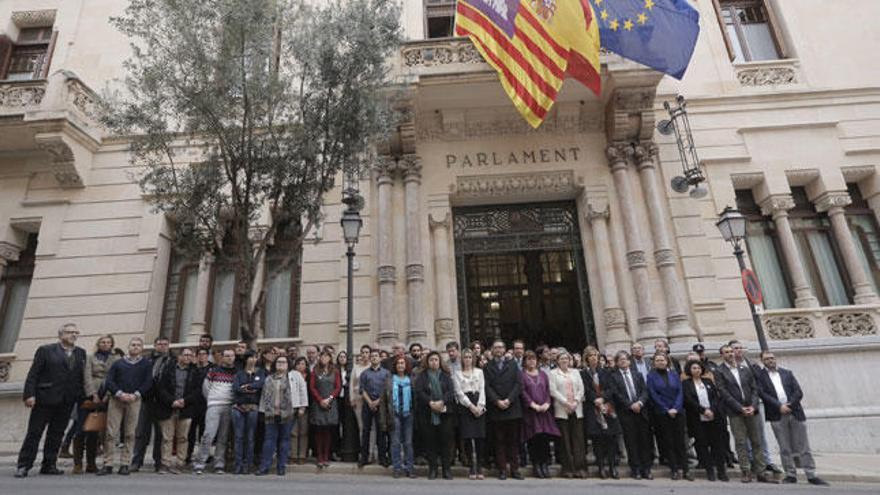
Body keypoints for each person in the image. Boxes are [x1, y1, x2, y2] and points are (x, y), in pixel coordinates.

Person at [15, 323, 86, 478]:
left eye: (76, 332)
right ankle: (24, 465)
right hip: (44, 399)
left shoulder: (81, 353)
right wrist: (29, 395)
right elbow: (33, 374)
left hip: (66, 400)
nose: (74, 335)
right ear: (61, 335)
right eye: (70, 332)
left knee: (57, 434)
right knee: (34, 433)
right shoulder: (46, 350)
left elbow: (80, 377)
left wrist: (79, 395)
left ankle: (49, 464)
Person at [756, 351, 828, 486]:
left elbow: (798, 391)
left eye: (772, 358)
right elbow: (763, 394)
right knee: (784, 447)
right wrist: (779, 406)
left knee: (804, 446)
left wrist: (790, 404)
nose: (770, 360)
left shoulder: (787, 373)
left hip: (794, 412)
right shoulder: (760, 377)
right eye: (767, 359)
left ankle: (811, 474)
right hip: (777, 414)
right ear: (762, 361)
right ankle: (790, 474)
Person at [715, 345, 776, 484]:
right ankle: (746, 470)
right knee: (741, 441)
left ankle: (761, 471)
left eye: (731, 352)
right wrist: (739, 407)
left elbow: (754, 389)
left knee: (757, 441)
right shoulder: (719, 371)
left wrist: (753, 406)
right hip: (735, 411)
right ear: (722, 355)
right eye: (727, 352)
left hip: (751, 410)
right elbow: (723, 392)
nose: (730, 354)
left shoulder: (745, 369)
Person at [99, 337, 152, 476]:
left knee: (130, 434)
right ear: (128, 347)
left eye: (138, 345)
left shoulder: (146, 364)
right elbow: (109, 381)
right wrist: (119, 393)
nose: (135, 347)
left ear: (141, 349)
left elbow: (148, 382)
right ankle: (108, 463)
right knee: (111, 433)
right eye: (133, 345)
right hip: (116, 400)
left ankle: (125, 464)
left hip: (134, 400)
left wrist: (136, 394)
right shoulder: (118, 363)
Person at [70, 334, 119, 474]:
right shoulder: (90, 357)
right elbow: (86, 376)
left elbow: (116, 377)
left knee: (94, 430)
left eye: (108, 342)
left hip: (107, 396)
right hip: (88, 396)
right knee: (81, 429)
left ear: (112, 344)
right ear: (98, 344)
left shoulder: (116, 359)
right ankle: (77, 463)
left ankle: (91, 463)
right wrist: (93, 394)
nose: (105, 344)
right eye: (102, 342)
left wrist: (107, 395)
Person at [256, 355, 307, 476]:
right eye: (278, 362)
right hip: (271, 413)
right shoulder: (269, 378)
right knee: (269, 440)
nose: (281, 364)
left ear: (288, 364)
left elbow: (302, 390)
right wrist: (262, 410)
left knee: (284, 440)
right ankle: (264, 467)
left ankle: (281, 466)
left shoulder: (295, 376)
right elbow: (264, 395)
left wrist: (302, 407)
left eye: (283, 362)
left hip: (288, 412)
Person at [606, 351, 653, 480]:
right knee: (631, 442)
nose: (623, 361)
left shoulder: (637, 374)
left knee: (644, 441)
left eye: (625, 359)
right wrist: (630, 405)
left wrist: (640, 402)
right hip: (626, 413)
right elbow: (616, 394)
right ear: (617, 362)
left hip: (641, 411)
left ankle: (646, 469)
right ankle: (636, 469)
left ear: (629, 361)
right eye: (620, 359)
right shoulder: (614, 377)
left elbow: (645, 391)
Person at [155, 348, 201, 474]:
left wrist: (184, 401)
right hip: (168, 407)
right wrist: (172, 401)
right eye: (185, 354)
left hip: (186, 408)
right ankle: (165, 463)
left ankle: (180, 463)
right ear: (179, 356)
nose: (188, 357)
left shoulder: (195, 371)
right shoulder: (168, 369)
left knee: (183, 437)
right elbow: (161, 388)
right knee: (167, 437)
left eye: (190, 355)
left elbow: (197, 391)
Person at [646, 353, 691, 481]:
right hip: (662, 413)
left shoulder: (674, 374)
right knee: (669, 442)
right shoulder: (651, 376)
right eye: (658, 360)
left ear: (667, 361)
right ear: (654, 363)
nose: (660, 362)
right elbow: (653, 394)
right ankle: (674, 469)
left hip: (678, 412)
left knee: (681, 442)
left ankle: (685, 469)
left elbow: (680, 392)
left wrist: (676, 408)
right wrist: (666, 409)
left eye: (662, 360)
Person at [484, 339, 524, 480]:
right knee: (499, 441)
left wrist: (508, 400)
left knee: (513, 441)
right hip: (496, 409)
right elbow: (487, 387)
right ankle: (502, 470)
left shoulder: (513, 364)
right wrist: (497, 401)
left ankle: (515, 469)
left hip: (512, 408)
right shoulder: (487, 366)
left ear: (505, 349)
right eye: (496, 348)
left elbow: (518, 384)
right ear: (492, 350)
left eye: (501, 347)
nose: (499, 350)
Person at [131, 336, 172, 473]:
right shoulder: (146, 360)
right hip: (146, 399)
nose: (162, 346)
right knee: (141, 432)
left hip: (163, 401)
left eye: (165, 344)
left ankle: (158, 462)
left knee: (160, 434)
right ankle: (136, 461)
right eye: (159, 344)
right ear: (155, 345)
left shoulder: (172, 360)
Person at [193, 349, 237, 475]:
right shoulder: (213, 371)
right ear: (222, 357)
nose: (229, 358)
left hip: (229, 406)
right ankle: (200, 462)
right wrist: (212, 400)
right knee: (208, 435)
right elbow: (206, 388)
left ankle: (219, 463)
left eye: (231, 356)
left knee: (223, 437)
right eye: (226, 355)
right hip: (214, 405)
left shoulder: (237, 372)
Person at [682, 359, 728, 481]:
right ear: (689, 370)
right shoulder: (686, 384)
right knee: (702, 445)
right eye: (693, 368)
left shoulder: (708, 381)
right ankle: (710, 471)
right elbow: (689, 401)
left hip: (713, 417)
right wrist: (703, 411)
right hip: (697, 419)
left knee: (717, 445)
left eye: (698, 368)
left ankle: (721, 471)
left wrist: (711, 410)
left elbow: (715, 397)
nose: (696, 370)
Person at [581, 347, 621, 479]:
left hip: (608, 408)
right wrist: (595, 400)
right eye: (590, 356)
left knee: (610, 439)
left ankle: (612, 466)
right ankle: (601, 467)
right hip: (593, 410)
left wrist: (603, 398)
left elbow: (612, 388)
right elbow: (585, 390)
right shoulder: (583, 374)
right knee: (597, 440)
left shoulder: (606, 372)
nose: (593, 358)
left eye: (595, 355)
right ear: (586, 358)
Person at [415, 351, 455, 480]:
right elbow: (419, 392)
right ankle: (433, 469)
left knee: (445, 442)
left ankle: (446, 470)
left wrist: (442, 401)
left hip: (445, 414)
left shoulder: (446, 376)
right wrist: (430, 402)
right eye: (431, 360)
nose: (434, 362)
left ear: (440, 362)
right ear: (427, 362)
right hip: (427, 413)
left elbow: (450, 392)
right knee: (430, 442)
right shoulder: (422, 377)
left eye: (436, 360)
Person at [520, 350, 559, 479]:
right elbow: (523, 392)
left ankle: (544, 464)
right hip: (531, 412)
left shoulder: (543, 375)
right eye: (528, 359)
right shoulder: (522, 375)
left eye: (533, 359)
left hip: (544, 411)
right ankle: (536, 464)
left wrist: (547, 403)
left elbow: (548, 390)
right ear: (524, 361)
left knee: (544, 438)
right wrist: (533, 405)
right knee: (534, 439)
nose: (531, 361)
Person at [548, 350, 586, 478]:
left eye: (566, 358)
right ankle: (568, 468)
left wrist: (575, 401)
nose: (564, 360)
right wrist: (566, 403)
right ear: (557, 361)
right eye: (561, 358)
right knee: (564, 440)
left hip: (576, 408)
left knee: (578, 439)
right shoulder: (553, 374)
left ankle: (580, 468)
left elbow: (581, 389)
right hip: (562, 409)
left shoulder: (575, 372)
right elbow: (553, 390)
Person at [452, 348, 487, 480]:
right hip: (466, 406)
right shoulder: (457, 373)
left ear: (473, 359)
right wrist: (471, 406)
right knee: (467, 437)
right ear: (462, 359)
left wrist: (480, 406)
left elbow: (482, 389)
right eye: (465, 357)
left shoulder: (479, 372)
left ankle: (479, 466)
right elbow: (459, 393)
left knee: (479, 438)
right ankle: (471, 466)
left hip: (479, 403)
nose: (467, 359)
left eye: (469, 357)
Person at [382, 355, 416, 479]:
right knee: (395, 442)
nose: (401, 365)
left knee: (408, 442)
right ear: (395, 366)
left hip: (408, 413)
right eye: (398, 363)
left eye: (403, 363)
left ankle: (409, 468)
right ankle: (397, 468)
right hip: (394, 413)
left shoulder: (411, 379)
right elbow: (384, 400)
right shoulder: (390, 379)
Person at [232, 350, 265, 474]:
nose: (252, 360)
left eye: (255, 357)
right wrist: (249, 389)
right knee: (239, 437)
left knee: (250, 437)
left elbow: (260, 384)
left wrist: (248, 387)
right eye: (250, 357)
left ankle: (248, 464)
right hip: (239, 407)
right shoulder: (239, 373)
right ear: (246, 359)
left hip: (253, 408)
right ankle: (238, 464)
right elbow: (236, 388)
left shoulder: (260, 372)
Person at [358, 349, 390, 467]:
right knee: (366, 431)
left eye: (376, 356)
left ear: (380, 358)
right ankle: (364, 458)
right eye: (372, 356)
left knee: (381, 432)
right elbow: (362, 390)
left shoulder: (386, 373)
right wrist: (370, 402)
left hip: (381, 405)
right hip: (367, 405)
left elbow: (387, 390)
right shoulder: (365, 373)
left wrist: (377, 402)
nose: (374, 358)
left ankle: (382, 458)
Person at [310, 350, 341, 468]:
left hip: (330, 403)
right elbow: (312, 387)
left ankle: (326, 456)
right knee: (319, 430)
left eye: (326, 356)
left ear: (330, 358)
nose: (324, 358)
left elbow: (338, 387)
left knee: (328, 430)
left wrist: (330, 398)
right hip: (318, 403)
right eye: (322, 356)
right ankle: (319, 456)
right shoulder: (315, 371)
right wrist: (320, 400)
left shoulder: (335, 371)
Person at [186, 347, 211, 464]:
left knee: (204, 432)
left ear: (207, 355)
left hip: (206, 404)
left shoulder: (212, 368)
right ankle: (188, 454)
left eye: (204, 354)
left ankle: (202, 455)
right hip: (192, 404)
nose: (201, 356)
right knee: (190, 432)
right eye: (199, 354)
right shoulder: (192, 368)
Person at [290, 357, 310, 464]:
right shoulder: (291, 375)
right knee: (293, 431)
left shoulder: (309, 376)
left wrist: (303, 406)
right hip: (293, 406)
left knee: (304, 432)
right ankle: (293, 454)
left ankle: (302, 455)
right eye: (298, 363)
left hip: (306, 407)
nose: (301, 366)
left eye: (303, 364)